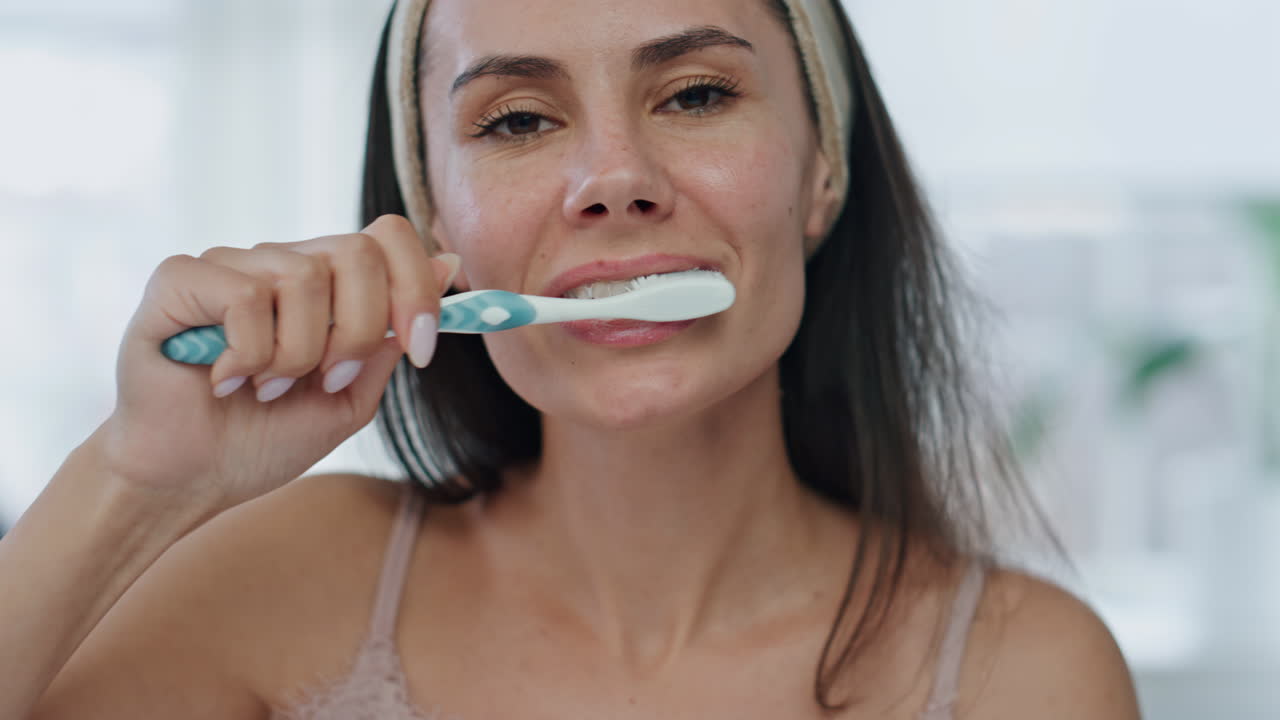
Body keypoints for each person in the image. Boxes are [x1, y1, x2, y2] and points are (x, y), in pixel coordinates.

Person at [2, 0, 1142, 717]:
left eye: (695, 94)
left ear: (820, 172)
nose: (614, 177)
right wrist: (133, 481)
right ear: (434, 215)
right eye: (517, 120)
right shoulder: (278, 583)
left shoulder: (1022, 674)